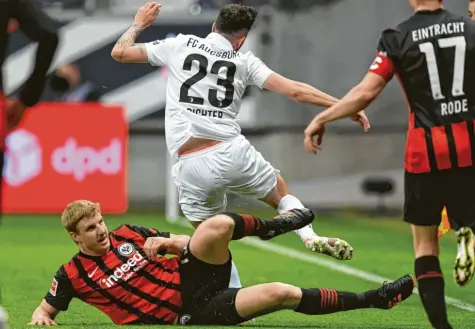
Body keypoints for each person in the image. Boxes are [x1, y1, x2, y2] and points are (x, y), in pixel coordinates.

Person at [111, 1, 369, 289]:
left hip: (191, 162)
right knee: (280, 194)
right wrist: (344, 106)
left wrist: (138, 25)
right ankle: (309, 236)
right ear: (242, 37)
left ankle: (231, 297)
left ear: (213, 26)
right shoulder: (245, 61)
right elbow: (296, 91)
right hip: (233, 152)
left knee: (211, 241)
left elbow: (119, 53)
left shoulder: (180, 45)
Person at [302, 1, 475, 328]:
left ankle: (442, 327)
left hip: (424, 154)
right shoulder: (468, 28)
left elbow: (366, 92)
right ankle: (469, 232)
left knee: (425, 244)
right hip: (469, 145)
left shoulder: (398, 37)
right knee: (470, 216)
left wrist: (323, 117)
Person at [29, 200, 414, 326]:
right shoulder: (73, 275)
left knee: (214, 226)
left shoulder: (130, 232)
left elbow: (185, 244)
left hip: (191, 272)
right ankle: (375, 298)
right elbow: (43, 311)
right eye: (90, 229)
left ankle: (278, 225)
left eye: (100, 223)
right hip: (192, 311)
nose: (100, 231)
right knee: (281, 292)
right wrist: (43, 318)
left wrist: (166, 240)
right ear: (75, 237)